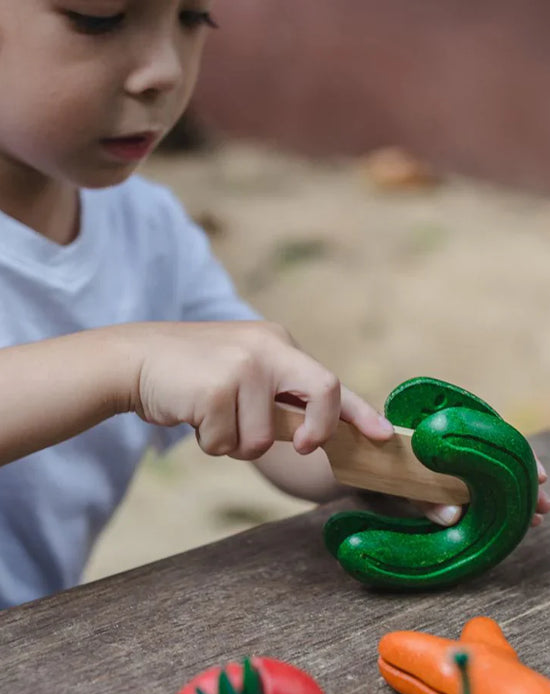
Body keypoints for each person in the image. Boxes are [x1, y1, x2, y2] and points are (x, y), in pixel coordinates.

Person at [0, 3, 547, 609]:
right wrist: (124, 362)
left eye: (193, 18)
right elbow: (135, 364)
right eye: (97, 19)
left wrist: (395, 465)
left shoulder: (148, 232)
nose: (165, 71)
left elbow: (280, 423)